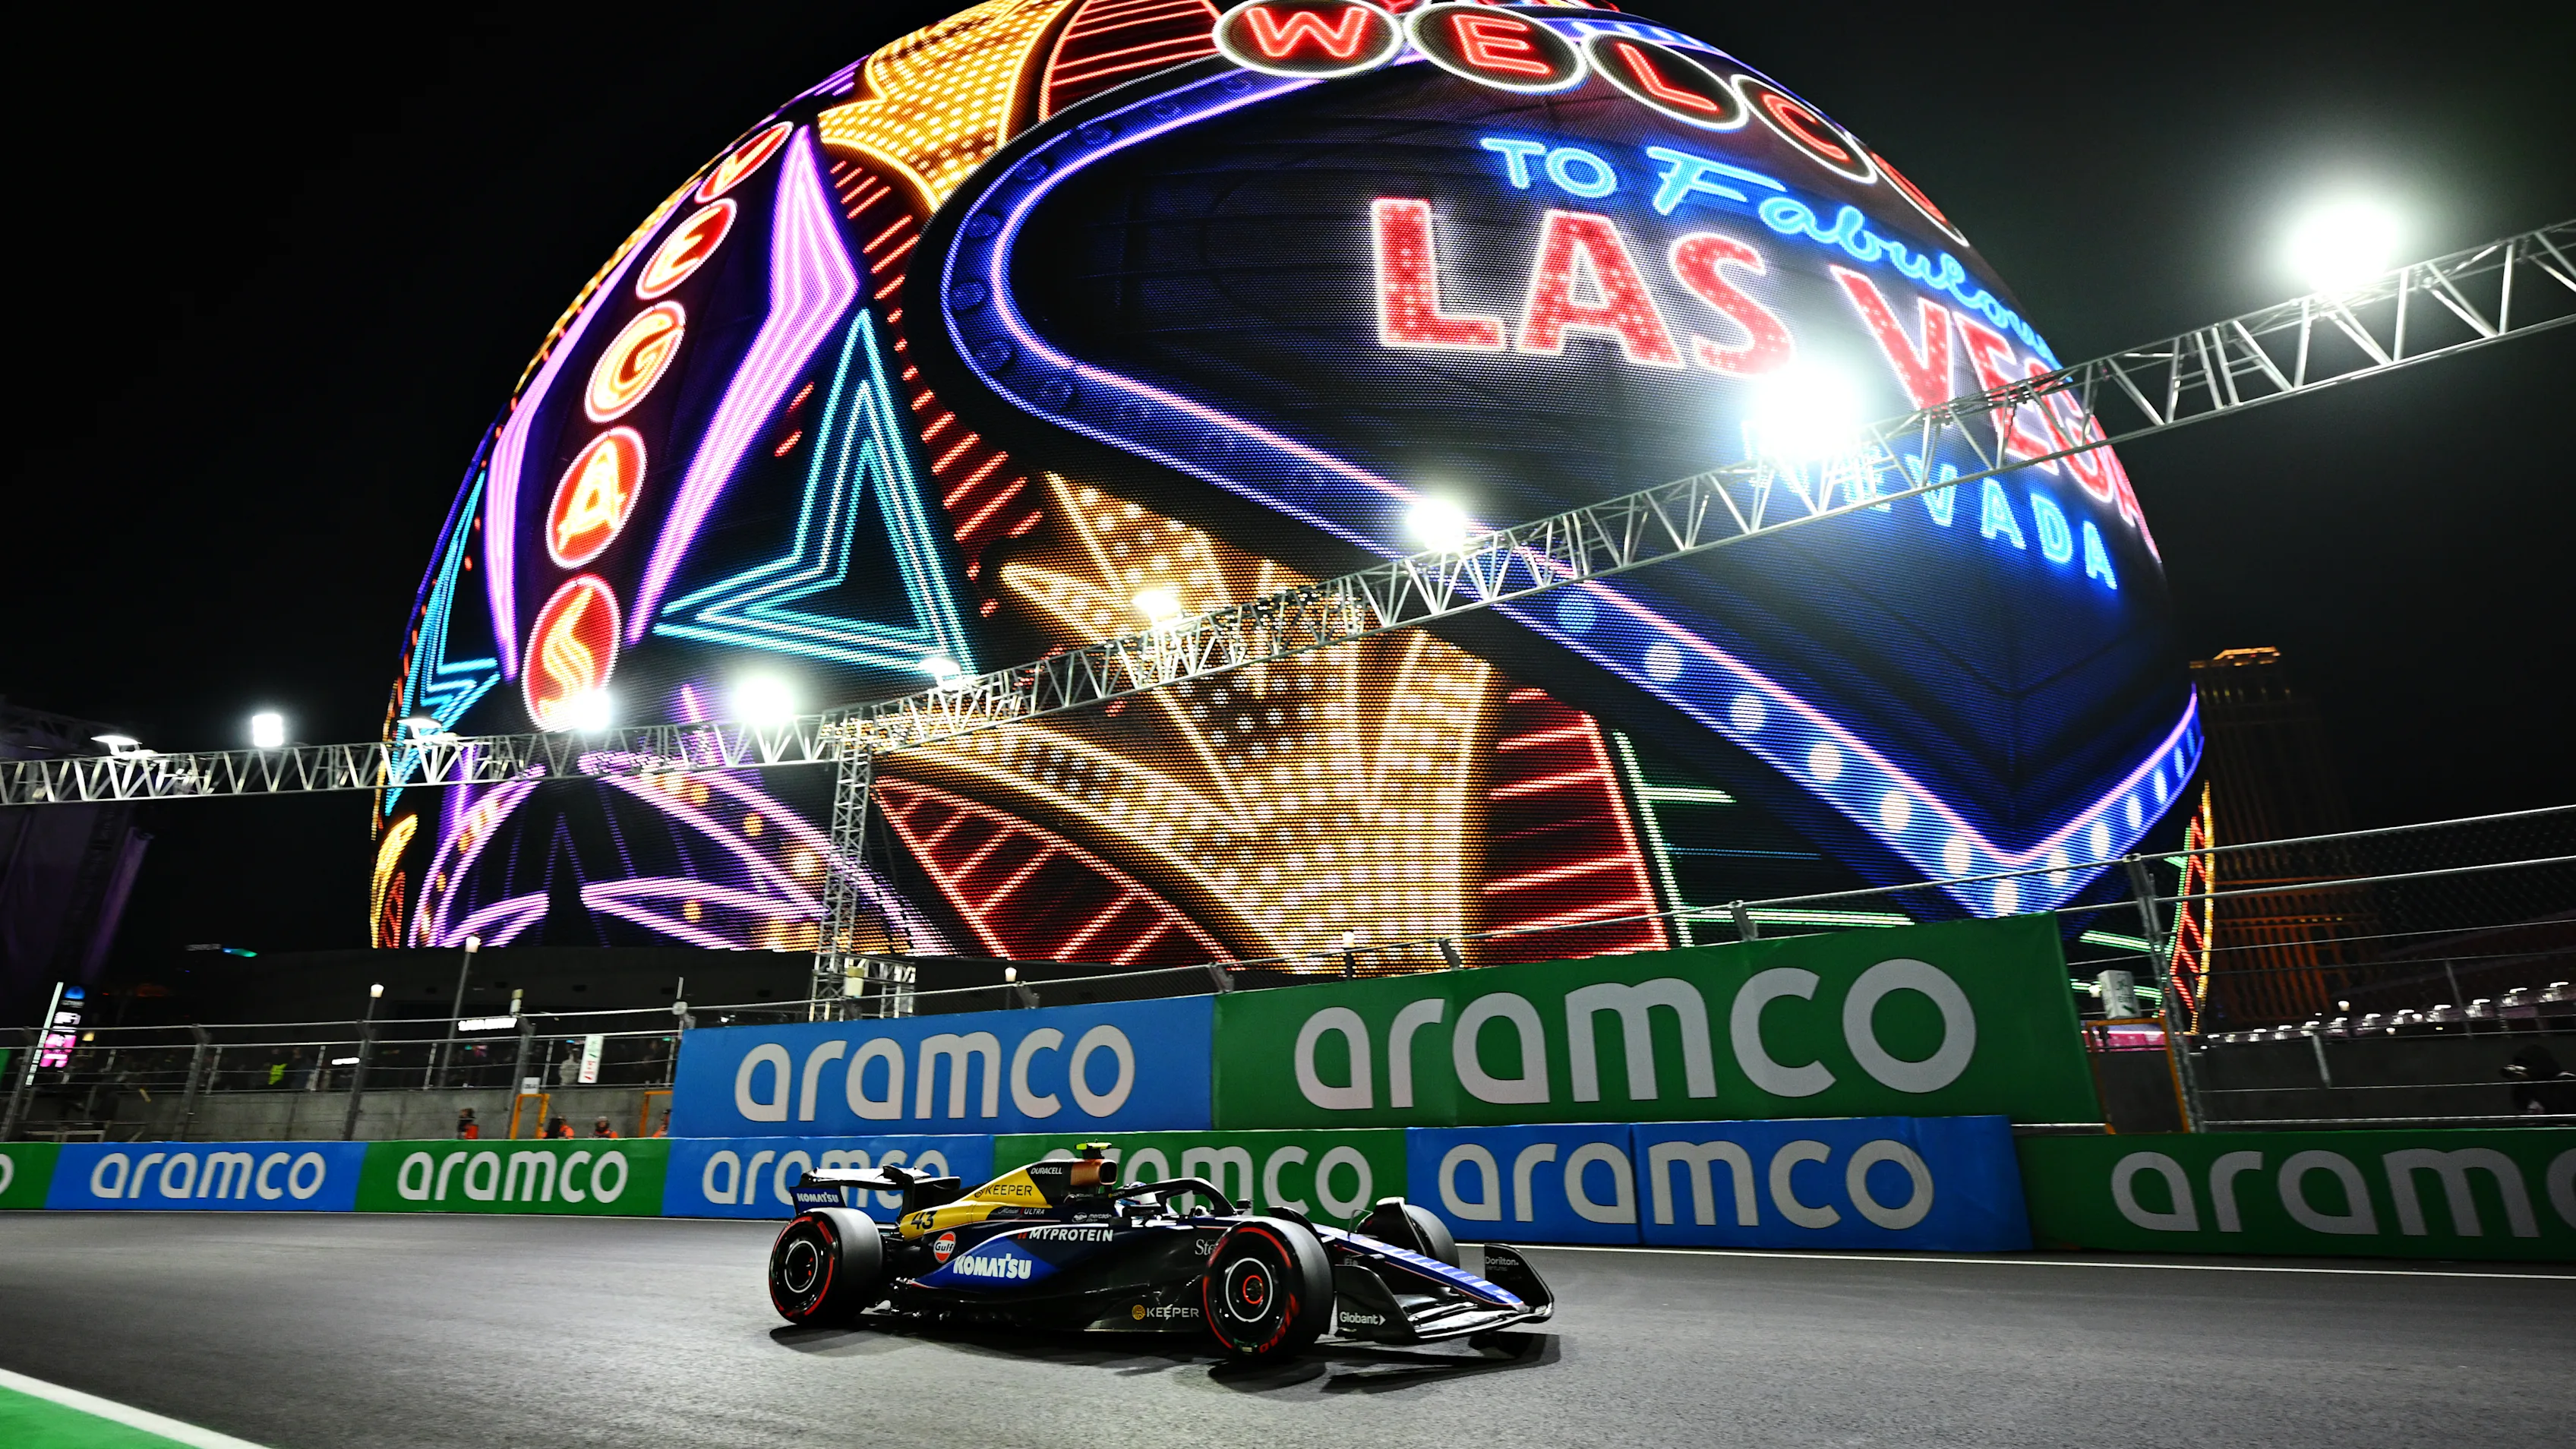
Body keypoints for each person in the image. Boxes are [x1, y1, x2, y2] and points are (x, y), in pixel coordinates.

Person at [2504, 1046, 2576, 1115]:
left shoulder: (2566, 1080)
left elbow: (2557, 1106)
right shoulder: (2530, 1083)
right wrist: (2520, 1084)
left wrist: (2532, 1081)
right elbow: (2521, 1105)